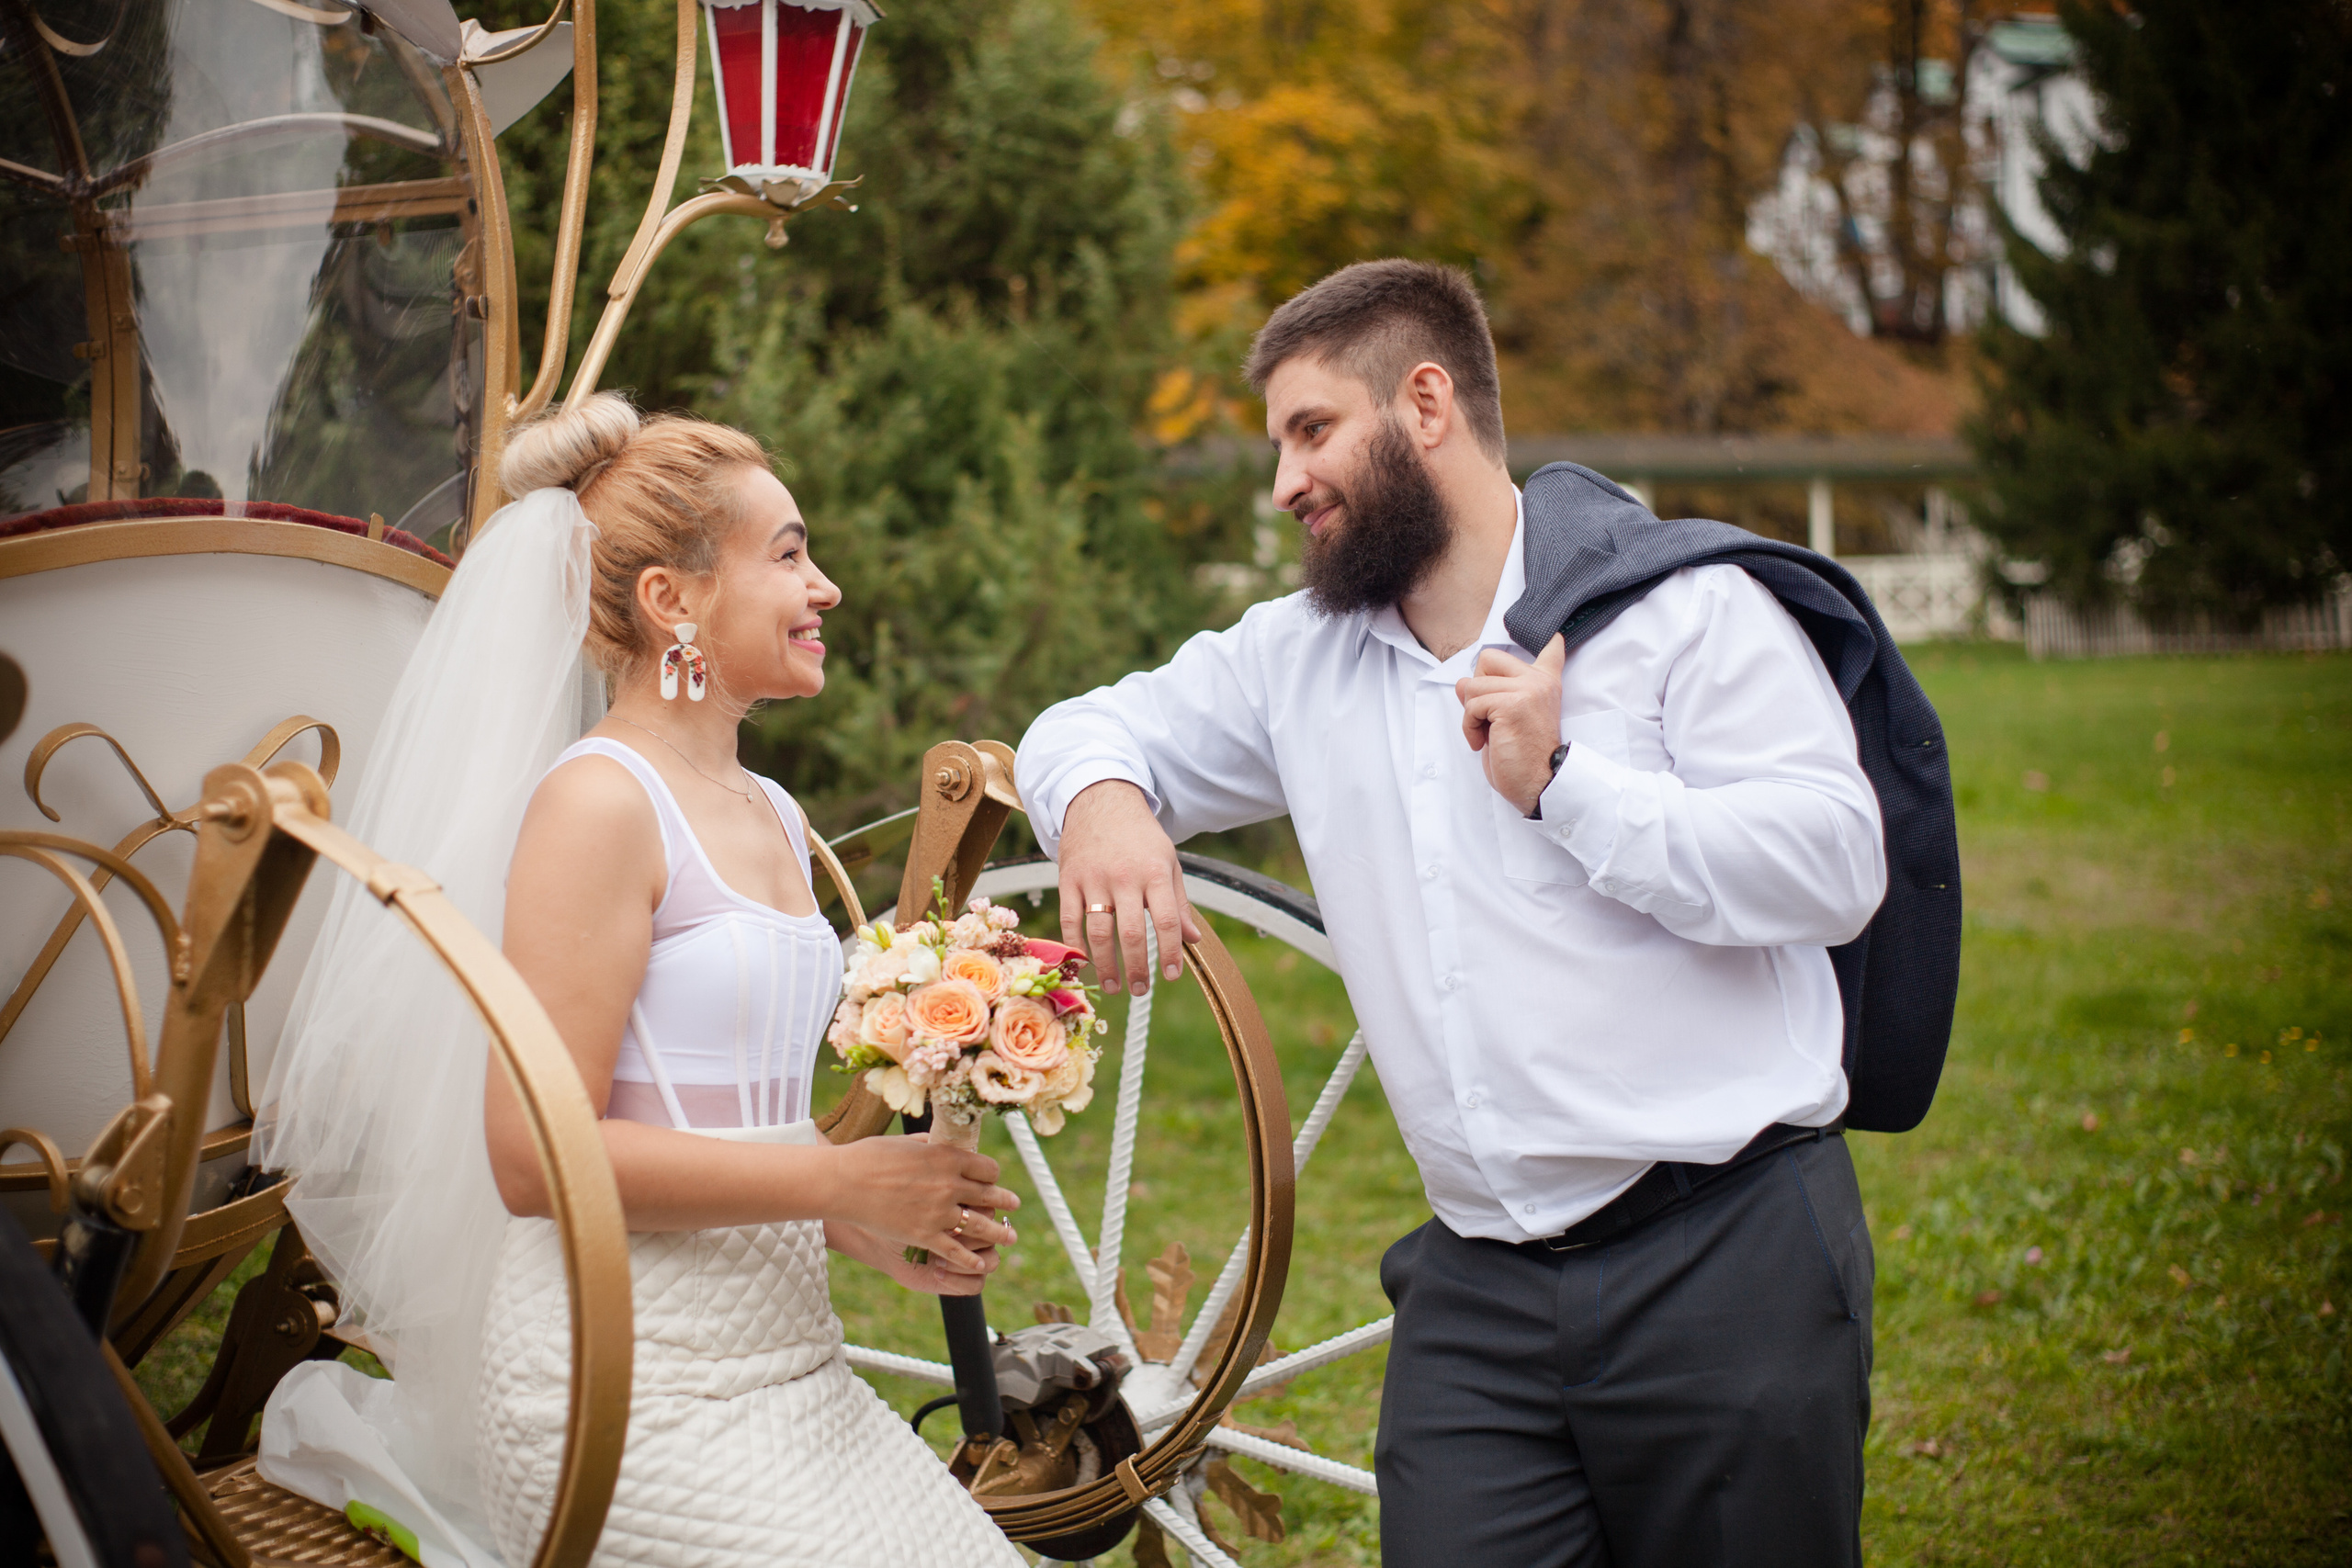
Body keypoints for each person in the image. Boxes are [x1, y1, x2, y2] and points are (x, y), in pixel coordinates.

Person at [1015, 260, 1893, 1567]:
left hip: (1724, 1257)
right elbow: (1086, 726)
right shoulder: (1296, 657)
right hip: (1478, 1292)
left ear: (1425, 402)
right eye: (1278, 445)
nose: (1283, 482)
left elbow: (1834, 863)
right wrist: (1101, 803)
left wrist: (1569, 788)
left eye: (1313, 431)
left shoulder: (1679, 609)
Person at [255, 395, 1025, 1567]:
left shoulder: (771, 808)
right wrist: (840, 1179)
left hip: (790, 1367)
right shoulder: (599, 803)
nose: (824, 587)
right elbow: (532, 1157)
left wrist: (860, 1218)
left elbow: (732, 1116)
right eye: (788, 554)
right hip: (620, 1387)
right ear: (673, 600)